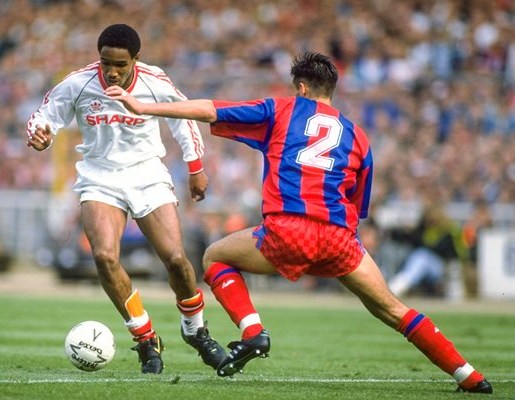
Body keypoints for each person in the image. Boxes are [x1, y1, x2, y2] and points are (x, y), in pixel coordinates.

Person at [105, 52, 492, 393]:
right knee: (392, 308)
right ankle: (469, 375)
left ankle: (253, 332)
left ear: (302, 87)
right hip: (340, 238)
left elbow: (209, 109)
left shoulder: (283, 109)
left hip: (288, 230)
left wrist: (145, 107)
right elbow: (358, 206)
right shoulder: (358, 136)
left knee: (215, 257)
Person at [26, 24, 226, 374]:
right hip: (99, 175)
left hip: (147, 174)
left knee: (177, 259)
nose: (112, 71)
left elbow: (186, 119)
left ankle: (196, 330)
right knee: (104, 256)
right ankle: (146, 339)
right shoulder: (78, 82)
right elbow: (45, 116)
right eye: (106, 63)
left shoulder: (155, 80)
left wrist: (195, 167)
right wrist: (40, 133)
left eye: (121, 64)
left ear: (136, 58)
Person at [387, 203, 471, 298]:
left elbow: (447, 250)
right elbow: (410, 239)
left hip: (445, 267)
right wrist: (406, 231)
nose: (430, 219)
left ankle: (394, 288)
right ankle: (397, 287)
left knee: (422, 256)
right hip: (428, 268)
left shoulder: (449, 230)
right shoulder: (424, 227)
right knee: (419, 256)